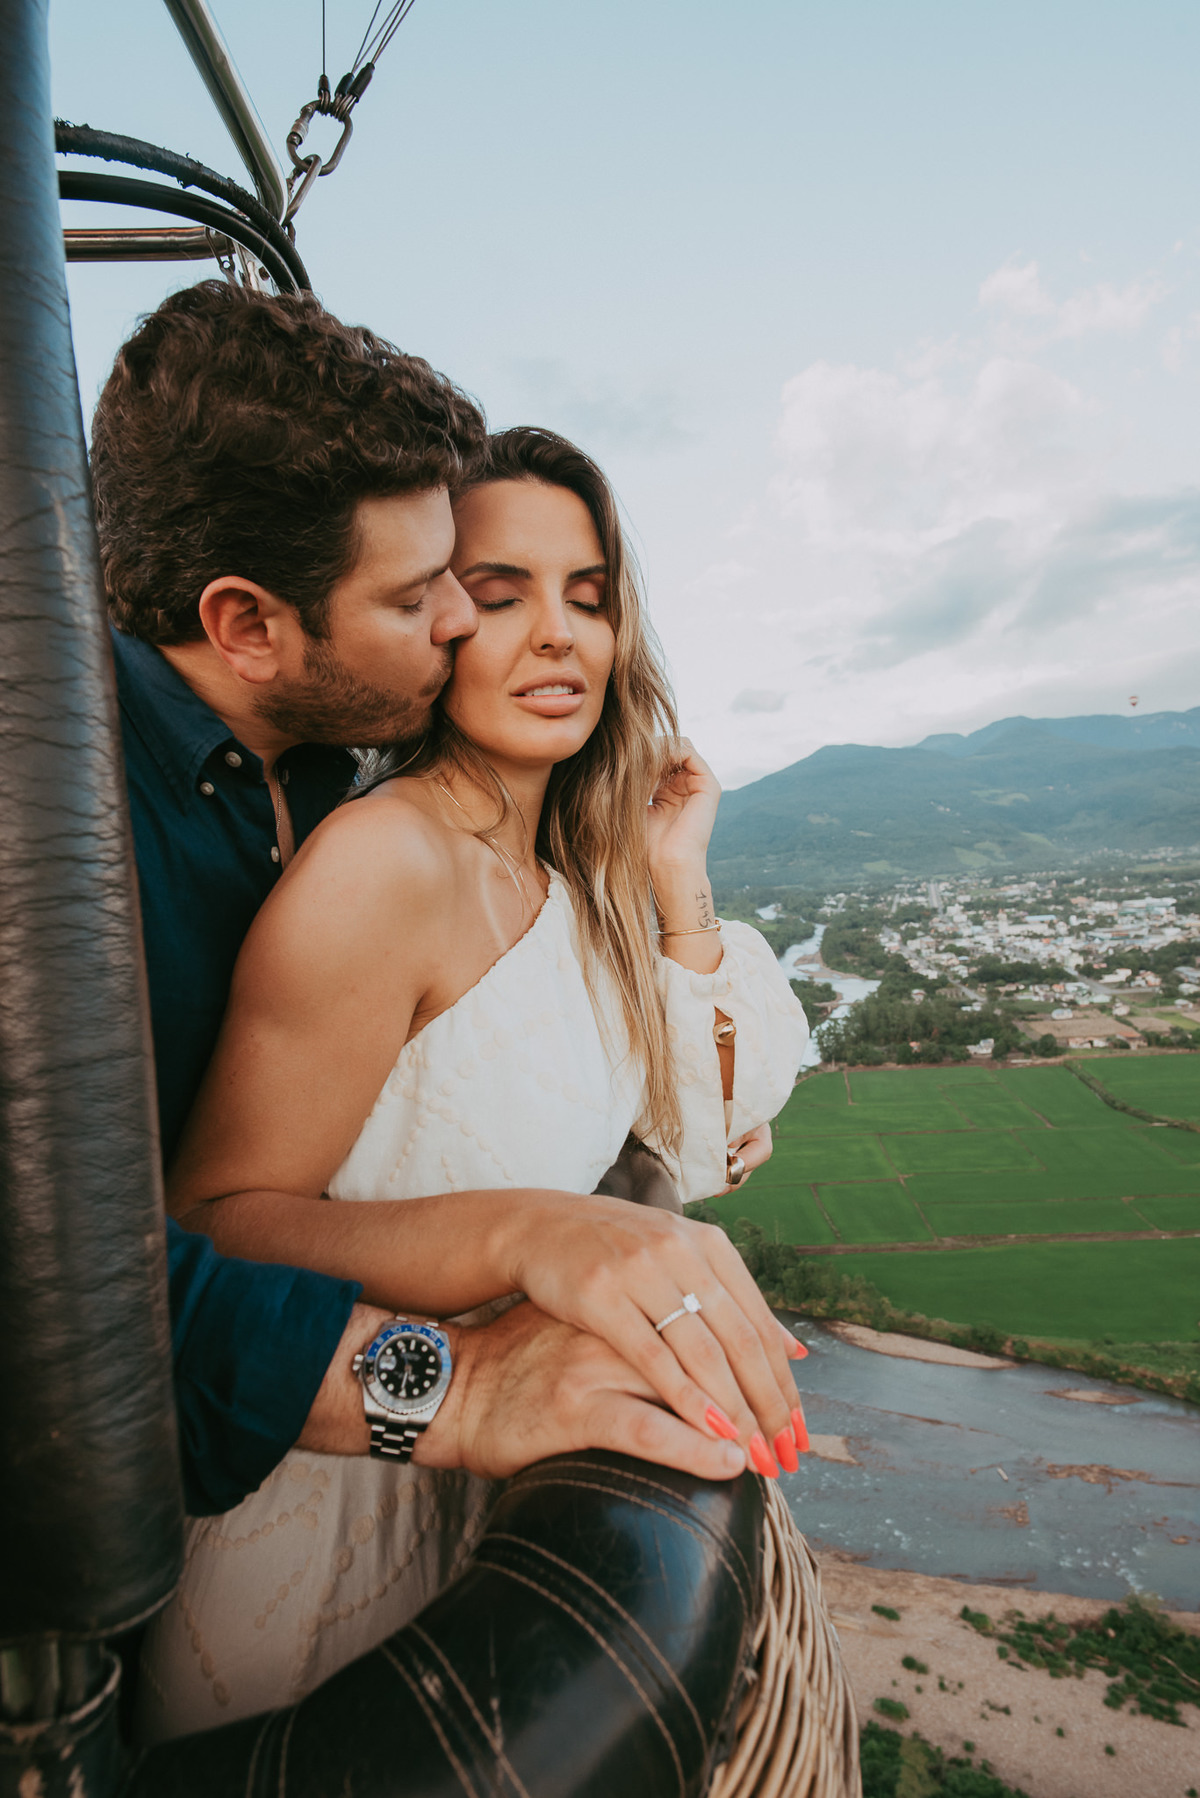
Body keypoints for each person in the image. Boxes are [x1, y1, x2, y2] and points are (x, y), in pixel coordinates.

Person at [137, 422, 810, 1738]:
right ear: (438, 622)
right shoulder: (384, 866)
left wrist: (679, 881)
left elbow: (713, 1138)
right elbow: (212, 1219)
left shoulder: (571, 877)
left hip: (503, 1475)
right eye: (501, 596)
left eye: (590, 596)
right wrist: (535, 1230)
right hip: (336, 1503)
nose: (559, 634)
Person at [96, 283, 776, 1527]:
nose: (471, 622)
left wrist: (674, 902)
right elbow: (96, 1284)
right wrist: (461, 1374)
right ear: (246, 623)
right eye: (433, 596)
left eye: (587, 592)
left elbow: (655, 1130)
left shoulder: (324, 764)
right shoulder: (65, 839)